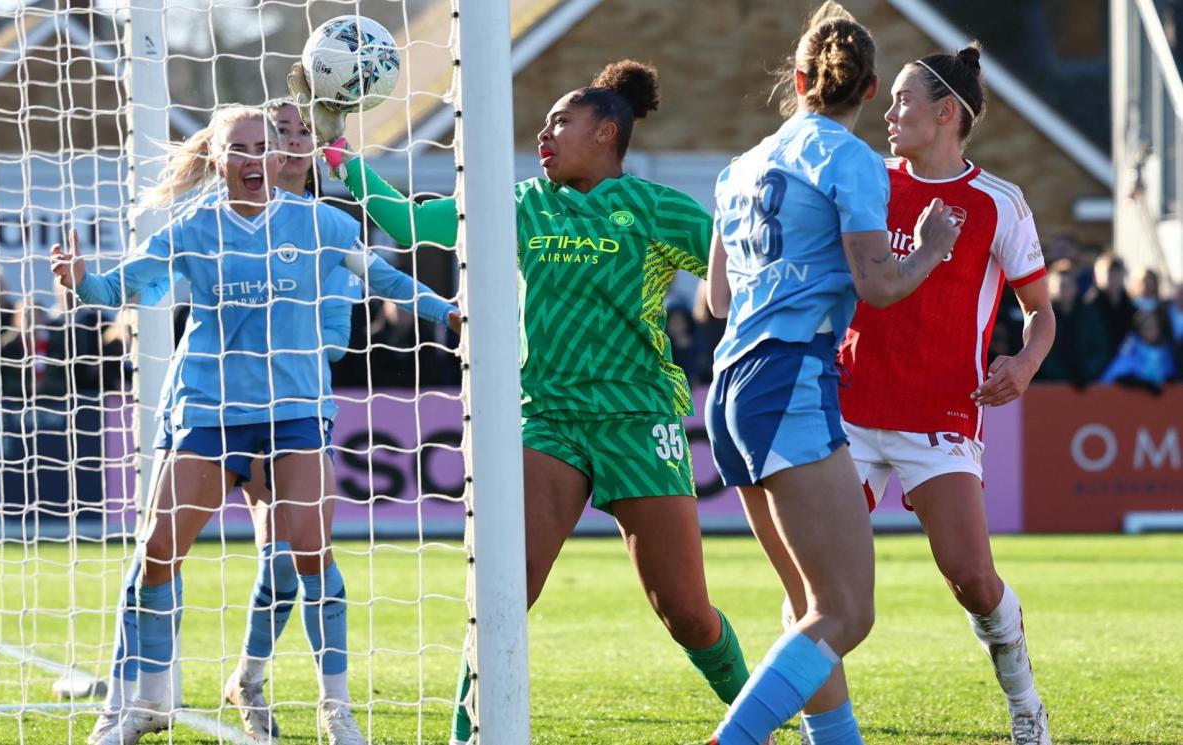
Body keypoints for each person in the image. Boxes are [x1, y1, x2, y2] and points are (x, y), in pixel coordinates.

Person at [291, 58, 757, 744]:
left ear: (606, 132)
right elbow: (413, 222)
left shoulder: (658, 209)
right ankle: (465, 734)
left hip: (640, 418)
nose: (544, 132)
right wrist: (338, 153)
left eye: (560, 121)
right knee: (504, 597)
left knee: (685, 611)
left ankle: (759, 713)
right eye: (543, 123)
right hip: (544, 420)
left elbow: (741, 268)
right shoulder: (518, 202)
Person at [54, 104, 453, 745]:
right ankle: (136, 704)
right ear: (217, 159)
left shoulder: (321, 223)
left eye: (261, 146)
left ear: (276, 156)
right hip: (210, 411)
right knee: (158, 552)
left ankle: (336, 708)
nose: (251, 159)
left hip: (294, 413)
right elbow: (122, 287)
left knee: (311, 554)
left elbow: (382, 276)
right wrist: (82, 283)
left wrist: (449, 310)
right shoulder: (193, 227)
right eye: (237, 148)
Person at [702, 4, 960, 743]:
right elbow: (878, 284)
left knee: (810, 602)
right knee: (846, 612)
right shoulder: (850, 160)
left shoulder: (738, 167)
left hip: (729, 391)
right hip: (788, 380)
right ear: (871, 89)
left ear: (798, 78)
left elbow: (718, 299)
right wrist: (932, 246)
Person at [788, 43, 1056, 745]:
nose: (889, 110)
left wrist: (1025, 362)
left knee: (971, 578)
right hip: (849, 408)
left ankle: (1025, 702)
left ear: (945, 114)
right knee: (817, 587)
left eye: (903, 99)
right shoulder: (866, 177)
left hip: (941, 413)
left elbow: (1041, 311)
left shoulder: (1000, 204)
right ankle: (803, 713)